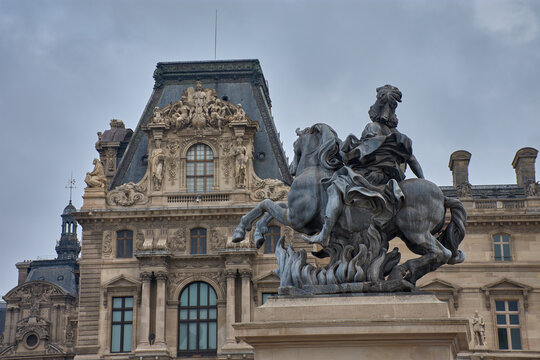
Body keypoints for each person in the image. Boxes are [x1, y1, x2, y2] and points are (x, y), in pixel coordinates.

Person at [303, 85, 424, 246]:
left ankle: (325, 233)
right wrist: (423, 181)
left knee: (335, 186)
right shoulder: (398, 136)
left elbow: (362, 152)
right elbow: (413, 161)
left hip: (370, 176)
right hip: (387, 179)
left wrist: (345, 149)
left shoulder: (372, 128)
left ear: (377, 107)